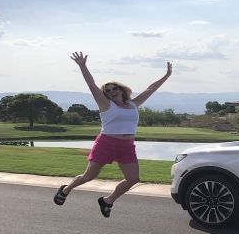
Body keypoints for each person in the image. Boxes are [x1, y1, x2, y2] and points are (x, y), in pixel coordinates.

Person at [53, 51, 172, 217]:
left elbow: (151, 89)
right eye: (108, 91)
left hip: (127, 146)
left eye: (114, 88)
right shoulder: (105, 104)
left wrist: (167, 75)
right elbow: (92, 85)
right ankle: (65, 190)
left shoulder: (133, 104)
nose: (111, 91)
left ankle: (107, 201)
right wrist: (83, 66)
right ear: (105, 94)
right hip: (106, 143)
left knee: (133, 180)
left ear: (120, 89)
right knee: (89, 176)